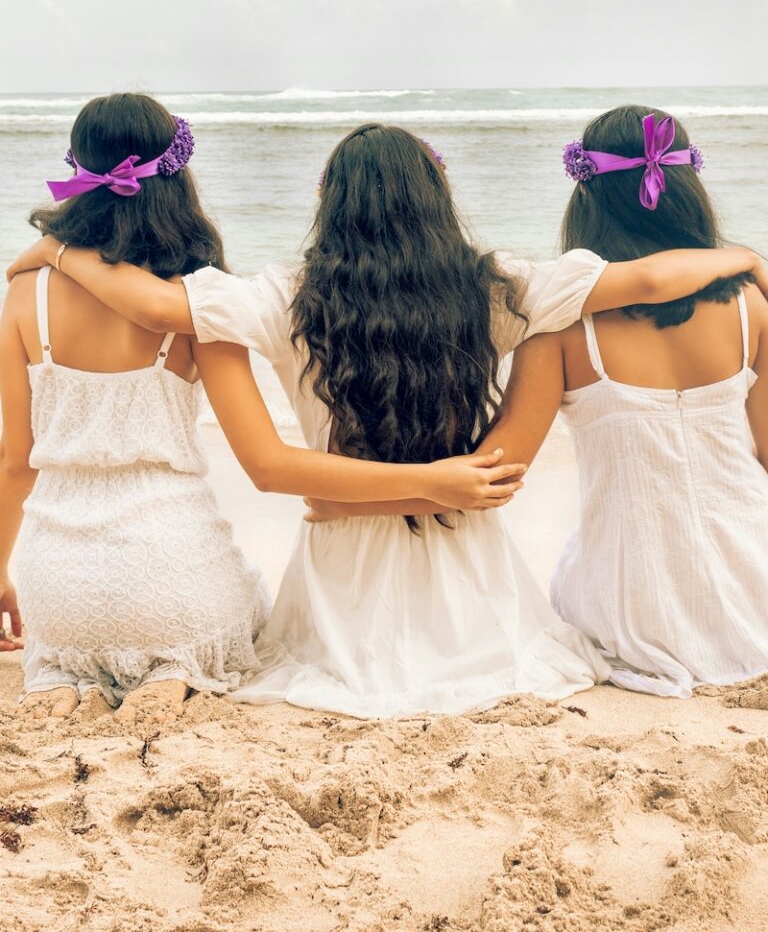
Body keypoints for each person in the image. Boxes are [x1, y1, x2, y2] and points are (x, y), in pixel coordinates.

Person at [8, 122, 767, 717]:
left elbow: (154, 305)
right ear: (438, 195)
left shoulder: (287, 294)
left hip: (340, 581)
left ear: (327, 203)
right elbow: (651, 275)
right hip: (471, 574)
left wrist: (59, 251)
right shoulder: (496, 286)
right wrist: (745, 261)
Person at [0, 98, 525, 724]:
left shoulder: (24, 294)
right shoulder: (194, 292)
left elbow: (15, 461)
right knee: (229, 610)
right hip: (171, 571)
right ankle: (171, 670)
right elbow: (260, 454)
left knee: (63, 647)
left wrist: (58, 252)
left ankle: (62, 672)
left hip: (54, 578)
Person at [474, 105, 768, 697]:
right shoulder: (751, 306)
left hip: (631, 598)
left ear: (587, 197)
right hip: (755, 580)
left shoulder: (560, 327)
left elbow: (499, 471)